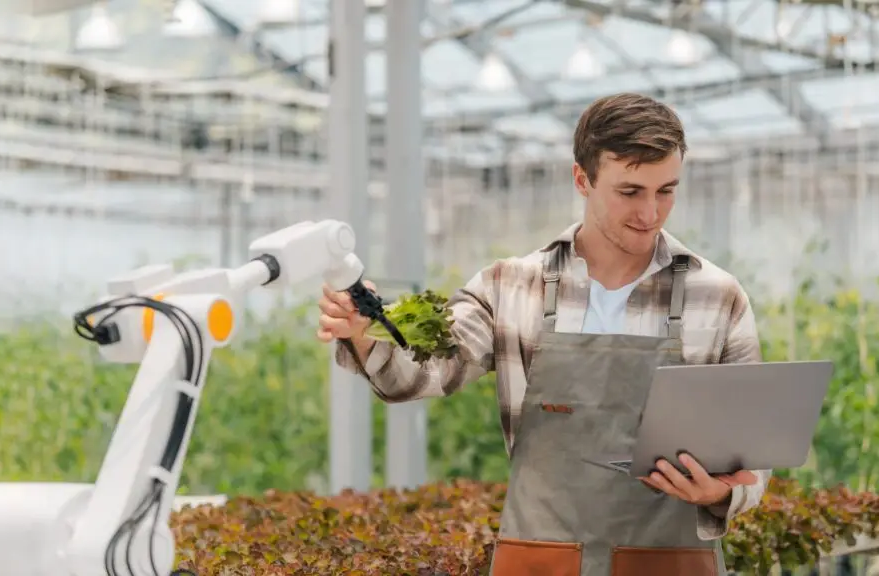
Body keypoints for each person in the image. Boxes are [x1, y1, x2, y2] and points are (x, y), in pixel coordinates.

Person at [316, 92, 770, 576]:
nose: (651, 213)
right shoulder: (509, 287)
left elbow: (754, 454)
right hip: (540, 561)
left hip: (671, 562)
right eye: (630, 191)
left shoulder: (717, 296)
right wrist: (365, 334)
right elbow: (417, 375)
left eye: (666, 191)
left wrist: (725, 491)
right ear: (582, 179)